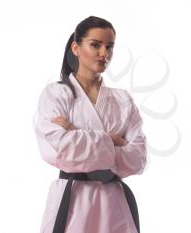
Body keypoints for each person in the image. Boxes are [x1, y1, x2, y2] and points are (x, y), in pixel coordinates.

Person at [34, 16, 147, 233]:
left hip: (113, 202)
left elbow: (138, 158)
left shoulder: (123, 100)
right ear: (75, 48)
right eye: (95, 45)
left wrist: (78, 134)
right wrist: (113, 141)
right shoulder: (56, 94)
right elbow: (58, 149)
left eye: (109, 47)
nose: (104, 53)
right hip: (72, 200)